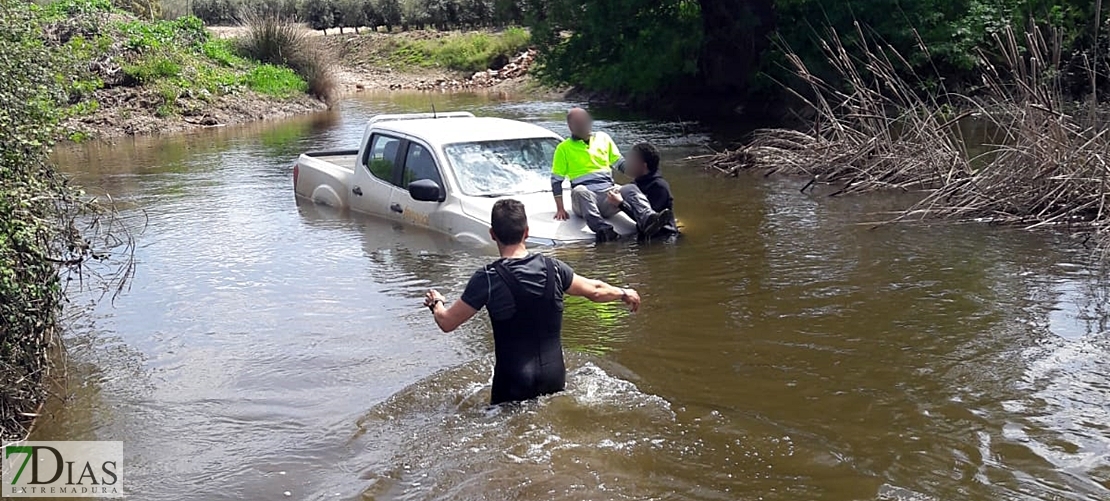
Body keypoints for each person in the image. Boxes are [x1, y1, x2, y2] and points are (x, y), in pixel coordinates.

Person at [424, 199, 642, 406]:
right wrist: (623, 292)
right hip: (555, 378)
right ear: (526, 232)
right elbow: (595, 290)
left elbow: (447, 322)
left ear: (492, 234)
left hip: (513, 385)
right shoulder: (554, 268)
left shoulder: (487, 279)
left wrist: (437, 303)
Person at [550, 108, 625, 243]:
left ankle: (647, 219)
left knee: (629, 189)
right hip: (584, 200)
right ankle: (602, 229)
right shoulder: (563, 148)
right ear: (571, 126)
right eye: (579, 122)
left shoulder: (603, 138)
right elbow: (556, 180)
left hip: (608, 196)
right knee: (580, 190)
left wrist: (642, 174)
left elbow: (620, 163)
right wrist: (560, 208)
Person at [607, 143, 678, 242]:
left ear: (643, 165)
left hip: (664, 237)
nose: (627, 164)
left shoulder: (659, 187)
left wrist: (621, 204)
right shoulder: (637, 184)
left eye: (631, 161)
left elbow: (649, 222)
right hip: (647, 238)